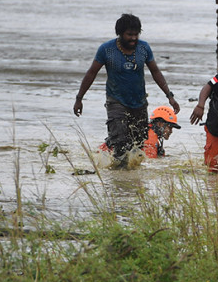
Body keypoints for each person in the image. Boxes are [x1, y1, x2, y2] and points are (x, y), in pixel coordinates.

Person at [74, 13, 179, 168]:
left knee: (137, 146)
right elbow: (91, 73)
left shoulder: (144, 48)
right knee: (120, 142)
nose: (133, 38)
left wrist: (169, 96)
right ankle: (119, 180)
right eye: (129, 35)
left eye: (136, 34)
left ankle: (131, 178)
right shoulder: (106, 50)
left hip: (139, 102)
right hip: (116, 101)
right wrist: (79, 98)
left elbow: (155, 72)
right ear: (120, 33)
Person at [99, 105, 180, 159]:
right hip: (105, 154)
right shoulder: (150, 139)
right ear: (160, 124)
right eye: (170, 127)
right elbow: (149, 163)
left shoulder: (148, 132)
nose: (171, 131)